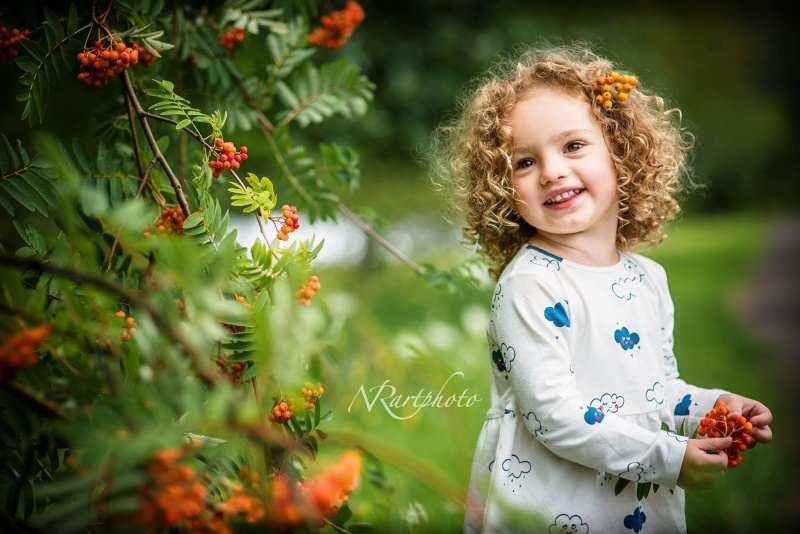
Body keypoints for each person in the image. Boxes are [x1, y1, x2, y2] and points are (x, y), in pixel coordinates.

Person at [429, 42, 773, 533]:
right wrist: (668, 457)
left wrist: (716, 407)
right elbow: (554, 414)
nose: (551, 171)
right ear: (503, 188)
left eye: (572, 146)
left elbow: (659, 392)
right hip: (547, 507)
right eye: (524, 162)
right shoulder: (530, 285)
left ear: (622, 150)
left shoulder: (647, 279)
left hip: (630, 508)